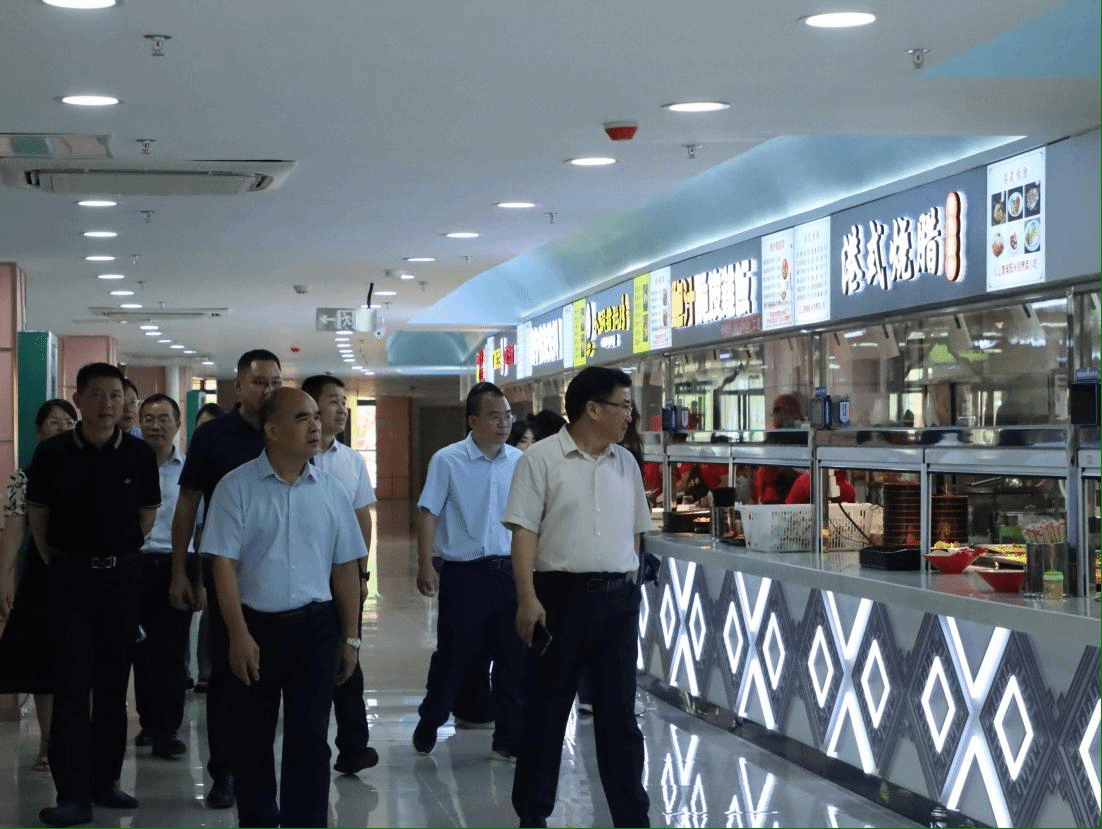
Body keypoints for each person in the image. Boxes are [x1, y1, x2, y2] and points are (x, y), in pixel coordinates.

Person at [203, 387, 363, 828]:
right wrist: (238, 634)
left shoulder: (331, 491)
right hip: (254, 628)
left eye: (315, 417)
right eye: (301, 418)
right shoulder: (235, 488)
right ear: (272, 431)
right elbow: (222, 565)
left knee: (310, 741)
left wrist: (350, 638)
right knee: (252, 741)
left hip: (315, 628)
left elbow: (346, 568)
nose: (315, 425)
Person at [503, 366, 651, 828]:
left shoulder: (626, 463)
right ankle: (533, 814)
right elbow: (524, 534)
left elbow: (636, 533)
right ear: (593, 408)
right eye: (623, 406)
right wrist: (527, 598)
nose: (629, 416)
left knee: (619, 722)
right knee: (546, 716)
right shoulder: (541, 459)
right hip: (559, 601)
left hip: (617, 605)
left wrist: (629, 583)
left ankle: (632, 818)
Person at [26, 363, 160, 828]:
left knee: (111, 688)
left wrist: (116, 553)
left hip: (121, 581)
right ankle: (72, 795)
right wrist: (63, 562)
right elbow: (38, 518)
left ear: (126, 401)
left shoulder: (138, 455)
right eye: (98, 395)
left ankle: (106, 782)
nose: (108, 404)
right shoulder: (53, 453)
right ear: (79, 399)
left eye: (116, 395)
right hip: (69, 581)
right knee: (70, 688)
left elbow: (146, 517)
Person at [168, 349, 283, 809]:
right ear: (239, 386)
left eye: (275, 382)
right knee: (226, 674)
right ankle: (225, 772)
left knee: (273, 676)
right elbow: (187, 504)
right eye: (260, 382)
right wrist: (181, 570)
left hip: (279, 573)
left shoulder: (288, 431)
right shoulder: (213, 437)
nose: (269, 390)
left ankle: (262, 767)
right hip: (226, 573)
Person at [412, 382, 524, 761]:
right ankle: (431, 718)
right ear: (473, 421)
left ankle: (508, 737)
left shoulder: (519, 462)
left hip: (508, 572)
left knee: (513, 658)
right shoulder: (447, 460)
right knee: (454, 655)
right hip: (464, 575)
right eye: (494, 417)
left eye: (507, 416)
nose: (504, 423)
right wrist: (424, 563)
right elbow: (428, 513)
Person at [301, 374, 379, 775]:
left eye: (343, 401)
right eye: (333, 400)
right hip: (301, 576)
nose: (342, 409)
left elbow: (362, 516)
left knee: (349, 655)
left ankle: (353, 745)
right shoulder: (291, 457)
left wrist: (363, 574)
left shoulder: (351, 461)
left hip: (344, 576)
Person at [0, 399, 77, 773]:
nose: (61, 428)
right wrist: (4, 576)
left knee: (82, 659)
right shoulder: (24, 477)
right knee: (44, 663)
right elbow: (15, 531)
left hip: (83, 573)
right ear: (39, 430)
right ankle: (48, 743)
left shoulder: (90, 467)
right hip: (42, 575)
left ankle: (77, 741)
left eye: (68, 422)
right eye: (54, 422)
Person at [450, 412, 537, 731]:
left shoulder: (522, 465)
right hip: (470, 567)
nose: (529, 447)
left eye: (533, 441)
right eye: (525, 441)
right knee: (470, 647)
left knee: (511, 650)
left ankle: (508, 729)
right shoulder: (454, 460)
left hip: (510, 566)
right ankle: (466, 709)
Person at [132, 394, 192, 760]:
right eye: (149, 419)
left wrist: (194, 578)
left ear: (177, 424)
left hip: (175, 565)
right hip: (134, 566)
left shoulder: (189, 471)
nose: (156, 426)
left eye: (164, 419)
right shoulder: (129, 465)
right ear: (139, 423)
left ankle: (169, 729)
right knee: (140, 650)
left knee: (172, 651)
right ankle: (148, 723)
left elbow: (199, 523)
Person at [189, 401, 223, 694]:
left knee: (214, 610)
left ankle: (211, 669)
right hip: (194, 548)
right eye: (201, 427)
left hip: (219, 545)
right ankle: (200, 669)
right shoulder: (192, 467)